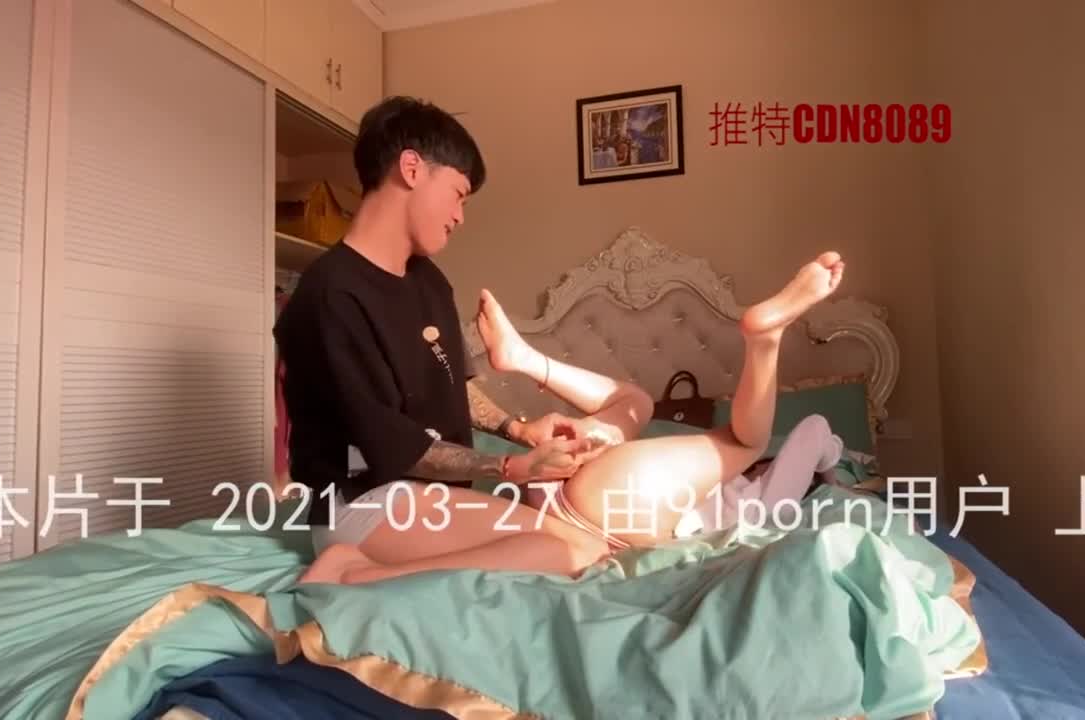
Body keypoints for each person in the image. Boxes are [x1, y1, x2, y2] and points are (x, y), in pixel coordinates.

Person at [299, 250, 847, 585]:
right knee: (736, 439)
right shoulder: (758, 505)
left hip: (577, 489)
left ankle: (526, 359)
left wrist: (829, 456)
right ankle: (765, 339)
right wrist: (836, 469)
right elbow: (809, 437)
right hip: (608, 499)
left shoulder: (747, 499)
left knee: (657, 410)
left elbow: (812, 434)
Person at [274, 96, 609, 561]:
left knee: (586, 546)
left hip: (426, 497)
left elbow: (449, 382)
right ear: (412, 168)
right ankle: (346, 572)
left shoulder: (428, 281)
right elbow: (385, 442)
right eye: (458, 194)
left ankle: (356, 573)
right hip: (360, 502)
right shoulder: (330, 295)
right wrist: (510, 467)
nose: (459, 216)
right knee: (576, 554)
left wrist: (521, 430)